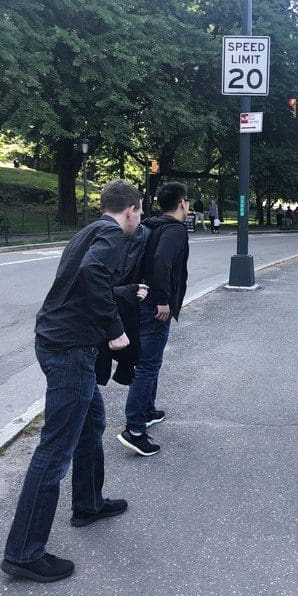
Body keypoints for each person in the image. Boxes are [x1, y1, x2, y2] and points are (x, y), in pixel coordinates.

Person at [1, 180, 144, 583]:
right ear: (130, 209)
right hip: (70, 350)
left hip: (57, 342)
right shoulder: (114, 235)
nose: (140, 219)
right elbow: (91, 272)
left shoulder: (89, 230)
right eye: (140, 211)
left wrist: (125, 292)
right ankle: (23, 551)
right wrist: (115, 327)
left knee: (92, 423)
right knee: (54, 449)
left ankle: (88, 503)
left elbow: (83, 279)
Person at [118, 182, 190, 456]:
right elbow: (162, 261)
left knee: (150, 360)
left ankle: (147, 410)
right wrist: (163, 299)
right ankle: (135, 429)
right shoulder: (174, 229)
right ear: (182, 202)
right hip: (154, 305)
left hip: (140, 299)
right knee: (148, 364)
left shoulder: (151, 224)